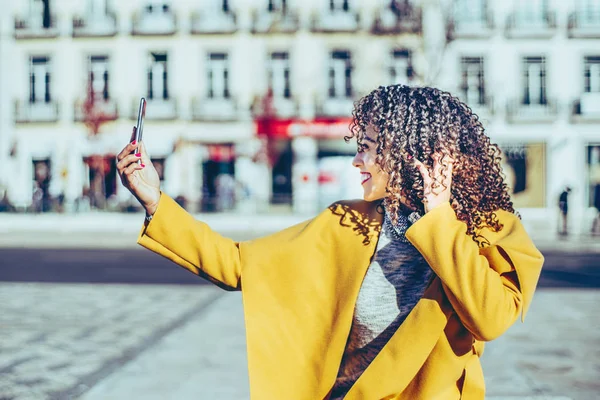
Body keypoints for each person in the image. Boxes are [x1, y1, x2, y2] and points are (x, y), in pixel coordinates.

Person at [116, 85, 544, 400]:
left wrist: (438, 220)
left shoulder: (485, 227)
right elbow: (238, 264)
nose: (356, 160)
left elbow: (490, 319)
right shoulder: (347, 221)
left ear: (408, 153)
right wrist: (156, 201)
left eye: (369, 148)